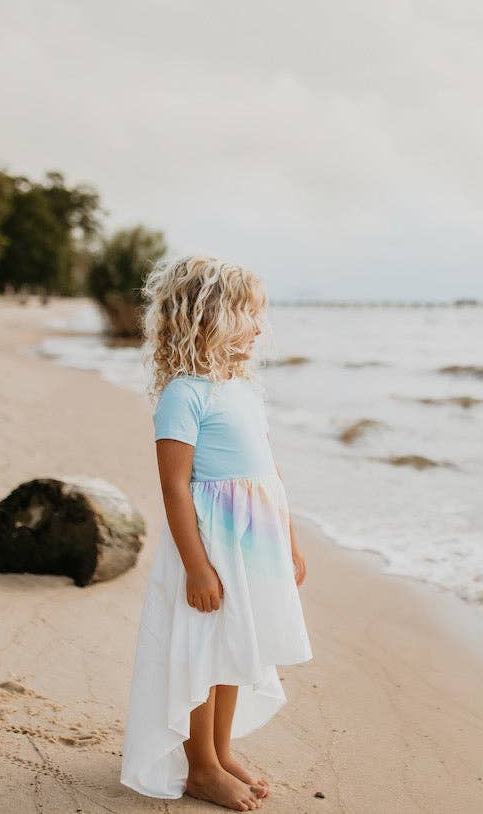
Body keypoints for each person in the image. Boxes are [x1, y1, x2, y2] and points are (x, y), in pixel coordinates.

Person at [120, 255, 312, 810]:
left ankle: (221, 751)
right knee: (204, 652)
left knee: (234, 646)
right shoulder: (186, 393)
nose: (258, 327)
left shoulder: (244, 389)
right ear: (205, 318)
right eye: (247, 315)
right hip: (211, 541)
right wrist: (198, 566)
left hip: (253, 543)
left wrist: (290, 541)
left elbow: (269, 472)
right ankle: (200, 766)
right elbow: (176, 487)